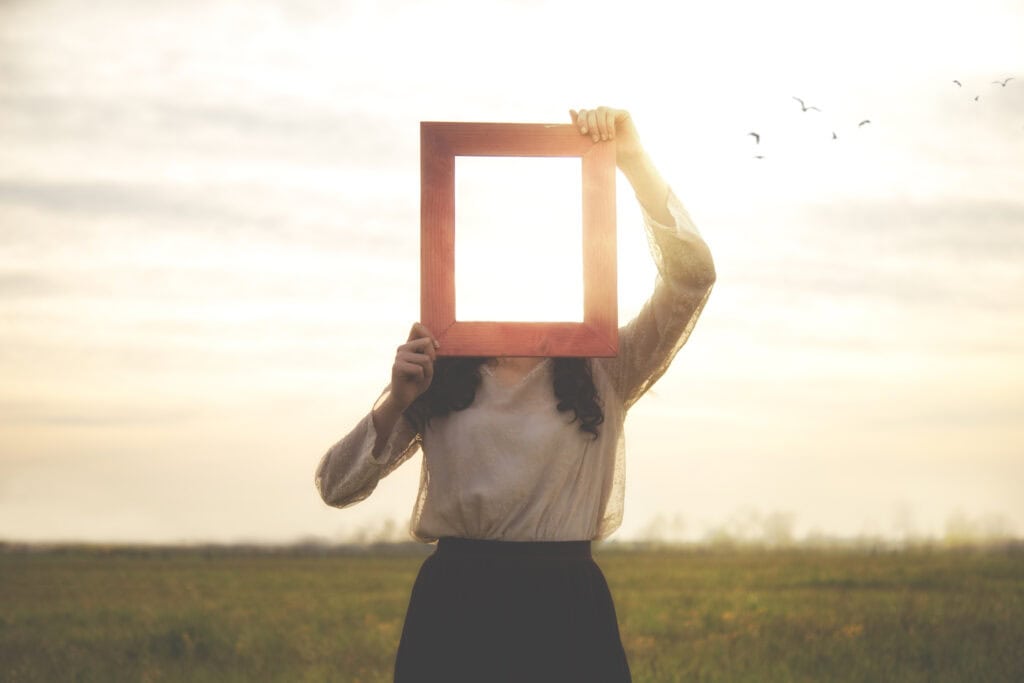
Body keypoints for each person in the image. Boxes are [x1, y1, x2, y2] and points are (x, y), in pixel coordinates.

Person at [315, 106, 716, 682]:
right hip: (456, 605)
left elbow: (692, 278)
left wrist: (631, 160)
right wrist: (397, 399)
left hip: (567, 605)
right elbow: (336, 487)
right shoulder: (439, 370)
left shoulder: (608, 365)